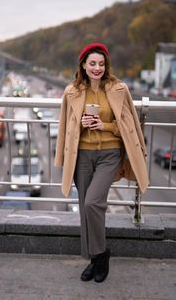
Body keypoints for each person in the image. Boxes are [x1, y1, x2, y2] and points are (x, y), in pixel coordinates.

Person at [54, 42, 149, 283]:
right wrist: (79, 130)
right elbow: (65, 126)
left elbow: (128, 126)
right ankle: (96, 258)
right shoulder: (71, 92)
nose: (97, 67)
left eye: (101, 63)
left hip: (109, 154)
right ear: (83, 65)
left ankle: (101, 254)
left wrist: (104, 125)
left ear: (106, 66)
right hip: (82, 155)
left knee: (92, 203)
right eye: (92, 63)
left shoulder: (119, 89)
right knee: (85, 209)